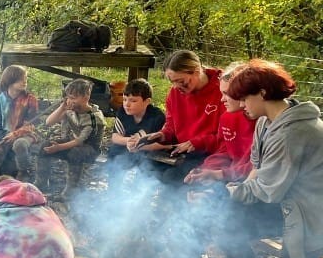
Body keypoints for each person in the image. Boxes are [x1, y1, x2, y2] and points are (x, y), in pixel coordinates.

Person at [223, 59, 323, 258]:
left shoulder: (294, 132)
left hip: (311, 218)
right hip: (287, 203)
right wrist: (233, 195)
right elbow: (258, 170)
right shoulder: (265, 122)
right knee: (222, 216)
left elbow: (269, 191)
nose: (241, 104)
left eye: (244, 98)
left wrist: (229, 193)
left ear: (263, 93)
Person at [139, 50, 223, 183]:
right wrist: (162, 135)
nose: (176, 87)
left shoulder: (223, 91)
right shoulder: (174, 94)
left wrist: (196, 143)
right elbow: (171, 125)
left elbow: (227, 137)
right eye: (172, 82)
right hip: (183, 151)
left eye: (181, 81)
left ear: (196, 71)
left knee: (171, 177)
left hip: (212, 153)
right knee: (146, 167)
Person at [21, 78, 105, 193]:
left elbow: (80, 141)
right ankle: (41, 182)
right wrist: (62, 108)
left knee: (75, 153)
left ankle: (71, 190)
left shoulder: (94, 117)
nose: (70, 101)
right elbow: (49, 122)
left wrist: (59, 147)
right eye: (68, 97)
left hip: (89, 148)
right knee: (46, 145)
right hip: (73, 141)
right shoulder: (71, 109)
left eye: (73, 98)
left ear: (86, 97)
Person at [183, 62, 254, 186]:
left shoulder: (264, 122)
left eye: (227, 93)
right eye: (222, 93)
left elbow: (259, 168)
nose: (222, 99)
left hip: (249, 182)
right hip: (231, 175)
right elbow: (224, 151)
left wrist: (219, 174)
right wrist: (206, 169)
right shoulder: (227, 118)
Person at [106, 78, 166, 172]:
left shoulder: (157, 116)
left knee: (149, 160)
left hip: (149, 151)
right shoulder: (123, 111)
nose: (127, 104)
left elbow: (163, 144)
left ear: (147, 102)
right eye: (124, 100)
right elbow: (115, 137)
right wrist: (129, 141)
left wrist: (138, 145)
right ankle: (114, 179)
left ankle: (142, 179)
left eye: (133, 101)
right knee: (114, 151)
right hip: (129, 147)